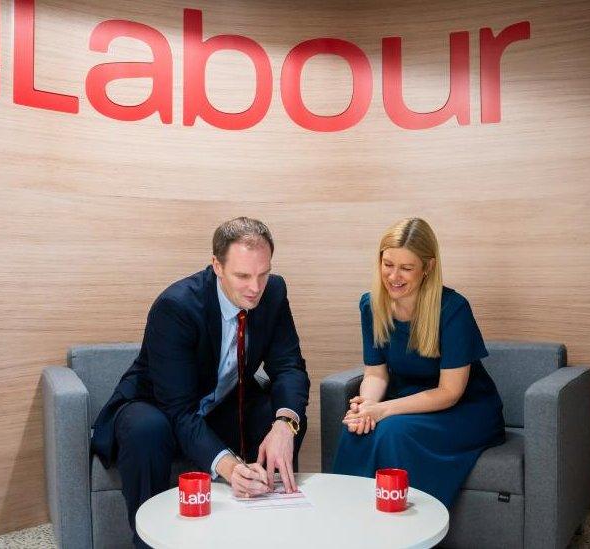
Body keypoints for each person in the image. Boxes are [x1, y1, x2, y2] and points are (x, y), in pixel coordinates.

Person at [91, 217, 310, 546]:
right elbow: (178, 409)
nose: (255, 288)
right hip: (157, 405)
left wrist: (284, 423)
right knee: (146, 429)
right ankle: (149, 541)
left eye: (263, 274)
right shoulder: (176, 307)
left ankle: (266, 529)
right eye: (243, 276)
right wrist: (230, 467)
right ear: (217, 266)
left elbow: (289, 365)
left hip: (220, 404)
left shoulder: (274, 292)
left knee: (281, 413)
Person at [332, 217, 504, 507]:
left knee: (392, 431)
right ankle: (348, 521)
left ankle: (406, 529)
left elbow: (450, 392)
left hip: (463, 409)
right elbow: (376, 374)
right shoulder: (370, 305)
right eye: (388, 264)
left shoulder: (453, 309)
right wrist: (366, 405)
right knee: (356, 430)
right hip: (406, 401)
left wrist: (383, 410)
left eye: (406, 268)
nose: (393, 276)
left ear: (428, 267)